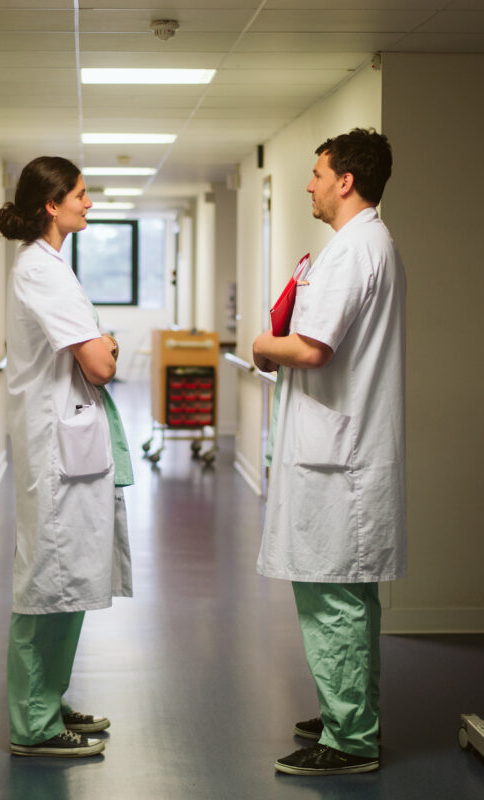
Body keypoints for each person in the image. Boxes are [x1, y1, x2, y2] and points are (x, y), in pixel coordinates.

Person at [253, 128, 406, 776]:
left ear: (345, 181)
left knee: (334, 597)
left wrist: (262, 344)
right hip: (346, 452)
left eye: (317, 173)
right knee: (351, 598)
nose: (309, 184)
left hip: (338, 463)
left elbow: (313, 348)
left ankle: (349, 741)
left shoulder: (352, 250)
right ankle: (351, 713)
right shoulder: (370, 242)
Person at [0, 156, 134, 758]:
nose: (88, 203)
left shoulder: (52, 265)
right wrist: (107, 349)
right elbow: (101, 363)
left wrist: (101, 348)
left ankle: (48, 698)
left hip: (68, 444)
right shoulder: (41, 271)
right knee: (44, 584)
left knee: (68, 580)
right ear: (51, 205)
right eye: (80, 194)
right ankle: (34, 725)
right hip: (55, 450)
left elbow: (92, 354)